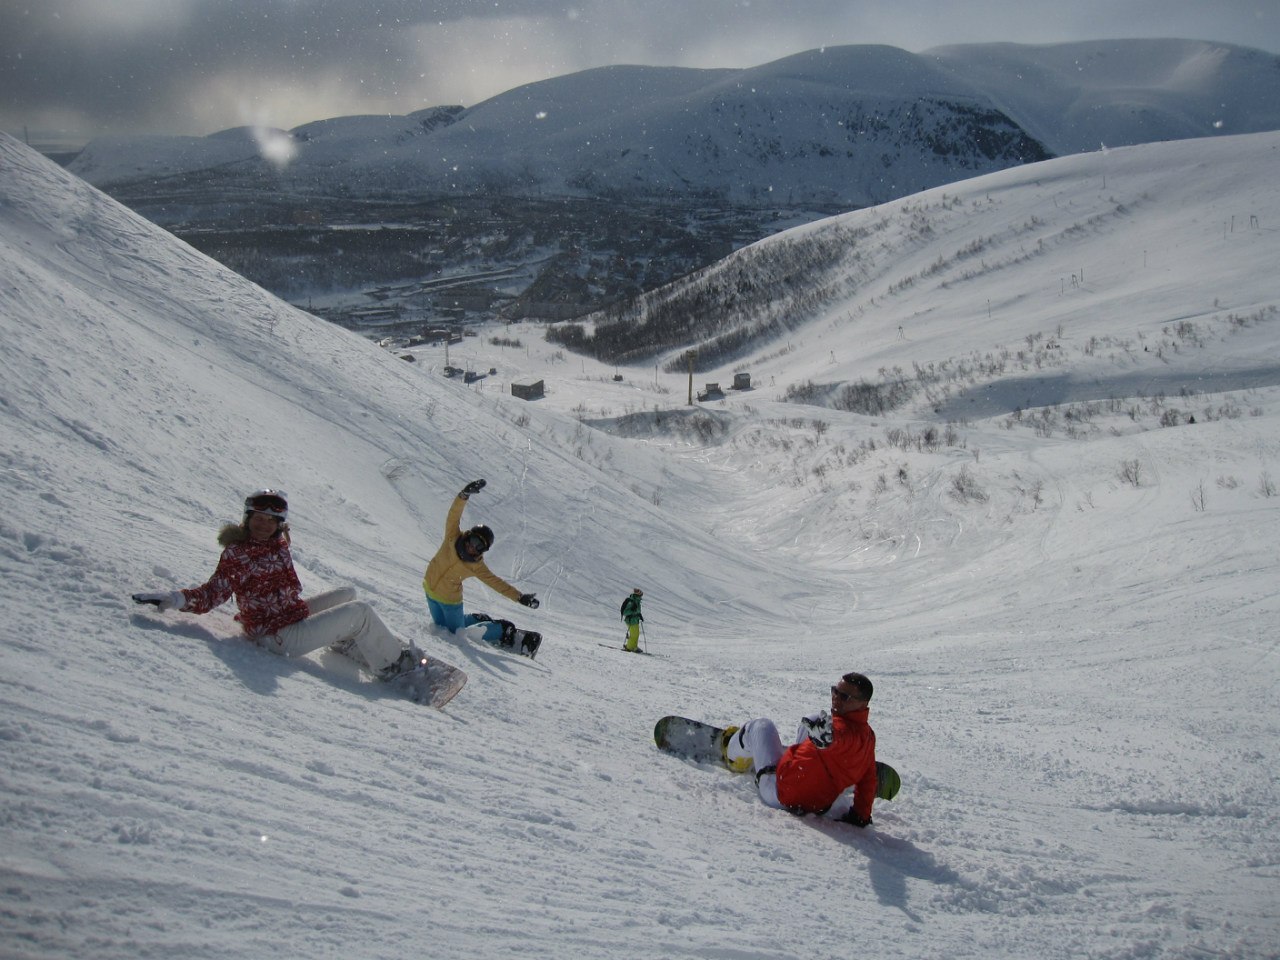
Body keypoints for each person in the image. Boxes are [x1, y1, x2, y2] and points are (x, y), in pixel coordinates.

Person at [133, 489, 425, 681]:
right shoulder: (238, 553)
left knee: (347, 593)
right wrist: (175, 599)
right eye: (258, 519)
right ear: (247, 520)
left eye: (271, 520)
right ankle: (393, 667)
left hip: (289, 615)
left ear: (279, 525)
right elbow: (212, 594)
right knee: (360, 611)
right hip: (276, 635)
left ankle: (345, 639)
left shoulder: (277, 544)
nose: (263, 525)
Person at [723, 672, 878, 826]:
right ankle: (807, 759)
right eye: (835, 691)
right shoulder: (868, 736)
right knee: (814, 719)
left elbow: (841, 738)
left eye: (845, 696)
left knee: (760, 726)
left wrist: (828, 739)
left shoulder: (840, 733)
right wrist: (861, 815)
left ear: (863, 704)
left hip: (781, 793)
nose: (836, 697)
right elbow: (868, 778)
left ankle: (733, 756)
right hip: (819, 804)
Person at [422, 479, 539, 646]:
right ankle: (475, 618)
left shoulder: (476, 566)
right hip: (429, 589)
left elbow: (497, 584)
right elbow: (454, 514)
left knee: (457, 634)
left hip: (450, 601)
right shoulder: (452, 537)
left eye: (479, 547)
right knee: (441, 627)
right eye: (474, 540)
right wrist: (464, 495)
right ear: (469, 535)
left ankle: (501, 629)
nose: (472, 548)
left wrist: (520, 597)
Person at [620, 587, 644, 652]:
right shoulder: (631, 601)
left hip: (635, 620)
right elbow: (625, 612)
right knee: (634, 635)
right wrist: (633, 612)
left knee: (636, 634)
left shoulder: (637, 601)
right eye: (641, 594)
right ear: (637, 595)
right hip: (631, 621)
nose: (642, 596)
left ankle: (634, 647)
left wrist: (639, 615)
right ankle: (629, 647)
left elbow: (637, 611)